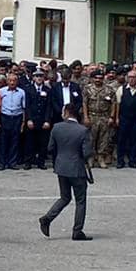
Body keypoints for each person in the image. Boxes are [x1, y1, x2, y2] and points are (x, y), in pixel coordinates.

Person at [39, 103, 93, 241]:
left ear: (68, 112)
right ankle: (77, 231)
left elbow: (50, 147)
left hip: (61, 167)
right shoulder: (83, 130)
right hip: (76, 168)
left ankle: (47, 218)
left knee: (64, 197)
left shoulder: (57, 127)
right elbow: (87, 153)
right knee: (80, 200)